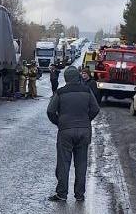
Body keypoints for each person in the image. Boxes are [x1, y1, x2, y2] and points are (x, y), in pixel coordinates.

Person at [46, 66, 100, 203]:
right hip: (84, 131)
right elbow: (95, 108)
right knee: (81, 164)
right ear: (78, 76)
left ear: (66, 78)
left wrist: (59, 123)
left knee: (64, 163)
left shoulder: (60, 92)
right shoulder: (87, 90)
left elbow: (50, 111)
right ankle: (79, 195)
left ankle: (62, 194)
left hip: (65, 131)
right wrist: (87, 120)